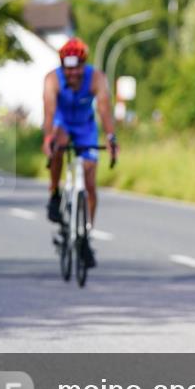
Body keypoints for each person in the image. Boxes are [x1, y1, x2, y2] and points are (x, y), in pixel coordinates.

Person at [41, 37, 119, 267]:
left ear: (84, 64)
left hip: (85, 126)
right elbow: (49, 112)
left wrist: (111, 138)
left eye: (77, 68)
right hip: (61, 123)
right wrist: (48, 138)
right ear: (62, 65)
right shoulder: (52, 80)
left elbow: (104, 110)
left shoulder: (96, 78)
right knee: (58, 146)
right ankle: (55, 193)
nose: (73, 73)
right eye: (68, 68)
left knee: (90, 180)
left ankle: (85, 236)